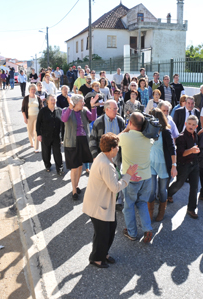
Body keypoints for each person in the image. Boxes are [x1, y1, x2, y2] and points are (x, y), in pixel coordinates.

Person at [83, 133, 140, 268]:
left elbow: (113, 179)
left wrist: (128, 176)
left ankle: (103, 254)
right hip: (100, 205)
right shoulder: (106, 164)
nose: (119, 149)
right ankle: (96, 258)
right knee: (103, 234)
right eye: (117, 147)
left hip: (102, 204)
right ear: (112, 148)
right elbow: (115, 187)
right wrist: (128, 176)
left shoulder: (103, 158)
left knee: (108, 230)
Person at [119, 112, 154, 243]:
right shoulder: (148, 138)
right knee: (142, 203)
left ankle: (132, 232)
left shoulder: (125, 137)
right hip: (147, 177)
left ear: (130, 123)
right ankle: (147, 229)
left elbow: (114, 140)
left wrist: (126, 129)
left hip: (131, 178)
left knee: (129, 205)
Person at [89, 100, 126, 211]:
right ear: (106, 109)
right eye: (114, 109)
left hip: (117, 157)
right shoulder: (98, 122)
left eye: (117, 108)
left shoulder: (120, 121)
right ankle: (103, 201)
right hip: (103, 158)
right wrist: (95, 156)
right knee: (103, 181)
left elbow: (124, 138)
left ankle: (118, 201)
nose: (117, 110)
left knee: (117, 179)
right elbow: (92, 140)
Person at [61, 94, 98, 199]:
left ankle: (76, 185)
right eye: (82, 101)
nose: (84, 103)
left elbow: (93, 118)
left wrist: (93, 106)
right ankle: (74, 190)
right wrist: (70, 107)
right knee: (74, 167)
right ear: (76, 102)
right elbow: (64, 119)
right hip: (72, 142)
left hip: (83, 140)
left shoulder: (84, 110)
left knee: (80, 165)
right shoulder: (66, 110)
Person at [167, 115, 201, 219]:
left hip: (195, 164)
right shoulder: (181, 137)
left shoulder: (196, 135)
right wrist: (191, 150)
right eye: (189, 124)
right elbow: (181, 154)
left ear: (196, 126)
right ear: (186, 124)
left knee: (194, 187)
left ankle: (191, 209)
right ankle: (168, 193)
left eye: (193, 124)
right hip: (184, 165)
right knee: (179, 183)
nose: (191, 126)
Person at [148, 108, 177, 222]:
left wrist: (174, 165)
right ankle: (149, 213)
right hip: (151, 164)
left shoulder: (166, 131)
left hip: (164, 165)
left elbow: (172, 149)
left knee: (162, 190)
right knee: (151, 190)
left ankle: (161, 211)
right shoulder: (148, 130)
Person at [36, 94, 63, 174]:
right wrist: (39, 134)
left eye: (54, 100)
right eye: (51, 100)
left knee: (57, 152)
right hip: (46, 135)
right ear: (47, 101)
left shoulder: (59, 110)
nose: (53, 101)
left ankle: (59, 168)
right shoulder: (43, 111)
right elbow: (38, 124)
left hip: (56, 136)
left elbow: (63, 124)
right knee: (46, 152)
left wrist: (62, 135)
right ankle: (47, 165)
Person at [21, 84, 43, 153]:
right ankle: (31, 142)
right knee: (30, 131)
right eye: (32, 89)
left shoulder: (38, 98)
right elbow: (23, 109)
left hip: (37, 117)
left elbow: (41, 108)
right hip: (29, 117)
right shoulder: (26, 98)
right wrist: (25, 118)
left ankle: (36, 148)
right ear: (29, 90)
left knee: (37, 131)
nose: (33, 90)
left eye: (34, 89)